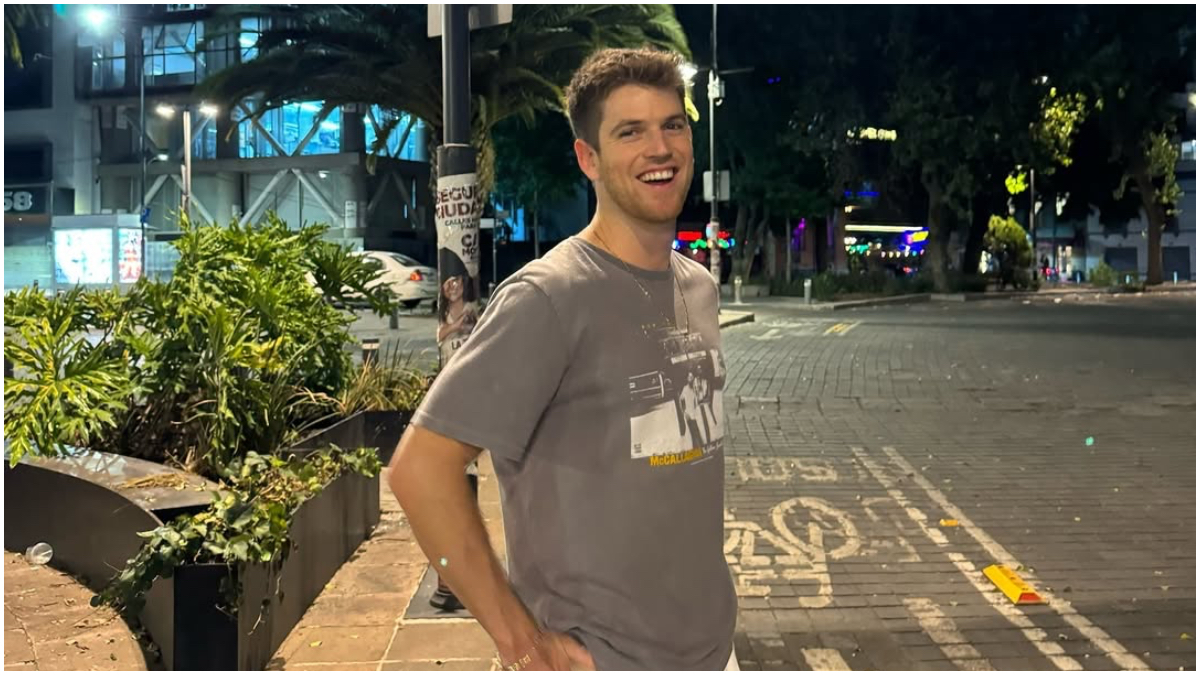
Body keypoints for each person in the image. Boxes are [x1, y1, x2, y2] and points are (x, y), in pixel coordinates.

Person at [389, 47, 737, 671]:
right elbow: (419, 472)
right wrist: (520, 642)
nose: (660, 148)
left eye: (672, 125)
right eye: (630, 132)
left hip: (711, 649)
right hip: (603, 658)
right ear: (588, 158)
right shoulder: (550, 297)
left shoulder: (698, 287)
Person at [436, 248, 479, 363]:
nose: (452, 287)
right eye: (446, 282)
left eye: (455, 280)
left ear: (463, 281)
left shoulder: (472, 309)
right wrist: (455, 326)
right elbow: (439, 336)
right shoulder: (444, 312)